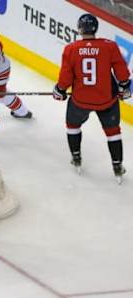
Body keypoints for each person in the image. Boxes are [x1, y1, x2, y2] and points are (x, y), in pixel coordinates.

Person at [53, 13, 131, 183]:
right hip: (107, 100)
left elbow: (65, 78)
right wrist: (124, 86)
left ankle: (76, 157)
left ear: (80, 29)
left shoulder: (71, 49)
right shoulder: (109, 46)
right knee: (113, 132)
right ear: (95, 28)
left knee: (72, 126)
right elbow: (122, 73)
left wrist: (59, 90)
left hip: (80, 100)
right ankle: (117, 166)